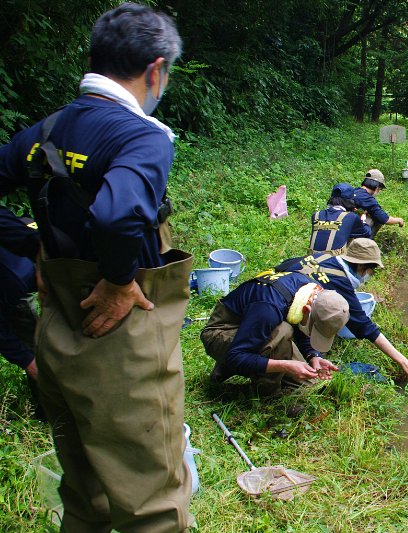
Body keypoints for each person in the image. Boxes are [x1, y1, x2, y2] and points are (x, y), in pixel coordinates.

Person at [0, 4, 195, 531]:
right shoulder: (141, 135)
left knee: (86, 496)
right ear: (156, 70)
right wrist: (117, 280)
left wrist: (34, 248)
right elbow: (117, 216)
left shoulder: (48, 129)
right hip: (122, 351)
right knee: (152, 500)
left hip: (57, 336)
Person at [282, 239, 408, 384]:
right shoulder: (339, 281)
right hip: (276, 318)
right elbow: (364, 326)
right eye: (372, 270)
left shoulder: (323, 258)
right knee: (311, 381)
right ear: (361, 265)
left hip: (280, 296)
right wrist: (403, 361)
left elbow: (284, 266)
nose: (371, 274)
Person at [201, 275, 349, 394]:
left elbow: (301, 323)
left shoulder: (311, 293)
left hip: (252, 328)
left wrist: (314, 356)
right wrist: (285, 366)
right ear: (307, 310)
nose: (312, 335)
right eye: (315, 332)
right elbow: (236, 356)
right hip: (222, 332)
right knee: (283, 331)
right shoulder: (269, 308)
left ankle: (233, 362)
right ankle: (269, 395)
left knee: (310, 384)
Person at [0, 244, 42, 417]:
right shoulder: (15, 280)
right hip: (11, 278)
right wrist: (27, 361)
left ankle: (50, 407)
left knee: (35, 341)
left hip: (17, 270)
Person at [308, 183, 372, 255]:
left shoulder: (316, 215)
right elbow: (367, 235)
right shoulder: (351, 217)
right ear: (350, 201)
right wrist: (363, 220)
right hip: (333, 263)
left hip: (311, 261)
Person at [353, 169, 405, 236]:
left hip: (339, 224)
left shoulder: (355, 191)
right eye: (380, 189)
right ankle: (363, 241)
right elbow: (384, 219)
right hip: (347, 230)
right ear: (377, 187)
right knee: (374, 218)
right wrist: (399, 220)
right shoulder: (367, 198)